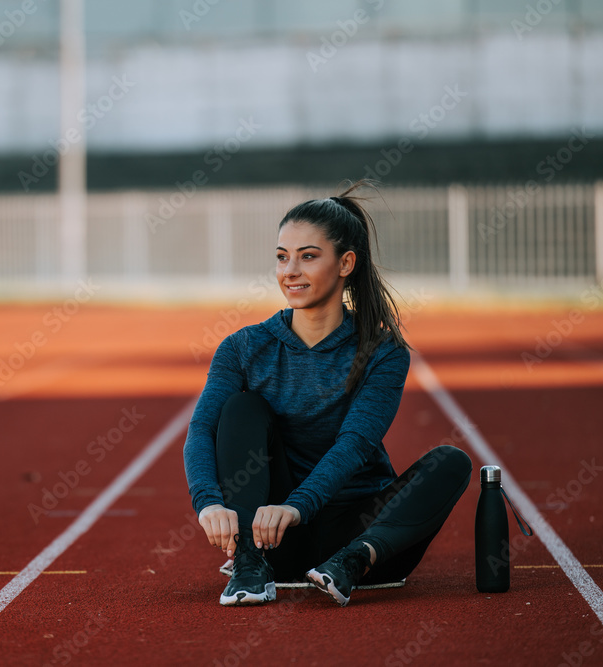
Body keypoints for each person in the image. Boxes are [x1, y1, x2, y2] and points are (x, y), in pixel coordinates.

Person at [182, 181, 472, 607]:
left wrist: (299, 506)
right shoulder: (244, 348)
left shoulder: (383, 351)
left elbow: (355, 445)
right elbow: (203, 427)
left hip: (357, 537)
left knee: (452, 462)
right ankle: (248, 563)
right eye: (282, 258)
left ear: (345, 263)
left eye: (308, 257)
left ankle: (351, 563)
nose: (290, 271)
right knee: (242, 408)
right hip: (274, 540)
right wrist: (207, 503)